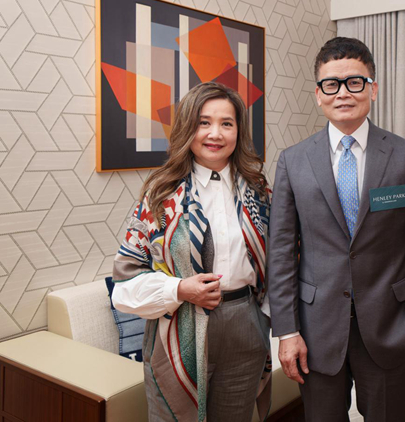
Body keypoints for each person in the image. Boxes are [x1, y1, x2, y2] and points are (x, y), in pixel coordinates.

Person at [268, 37, 405, 421]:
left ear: (372, 89)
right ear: (318, 94)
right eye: (331, 84)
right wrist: (287, 331)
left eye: (355, 82)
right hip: (315, 330)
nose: (343, 93)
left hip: (391, 326)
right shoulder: (292, 161)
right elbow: (280, 254)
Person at [111, 82, 272, 422]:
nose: (216, 134)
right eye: (204, 122)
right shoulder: (160, 195)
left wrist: (266, 319)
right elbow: (124, 284)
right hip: (178, 327)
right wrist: (180, 289)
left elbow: (281, 260)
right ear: (188, 128)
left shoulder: (259, 191)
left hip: (245, 326)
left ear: (238, 131)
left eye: (226, 123)